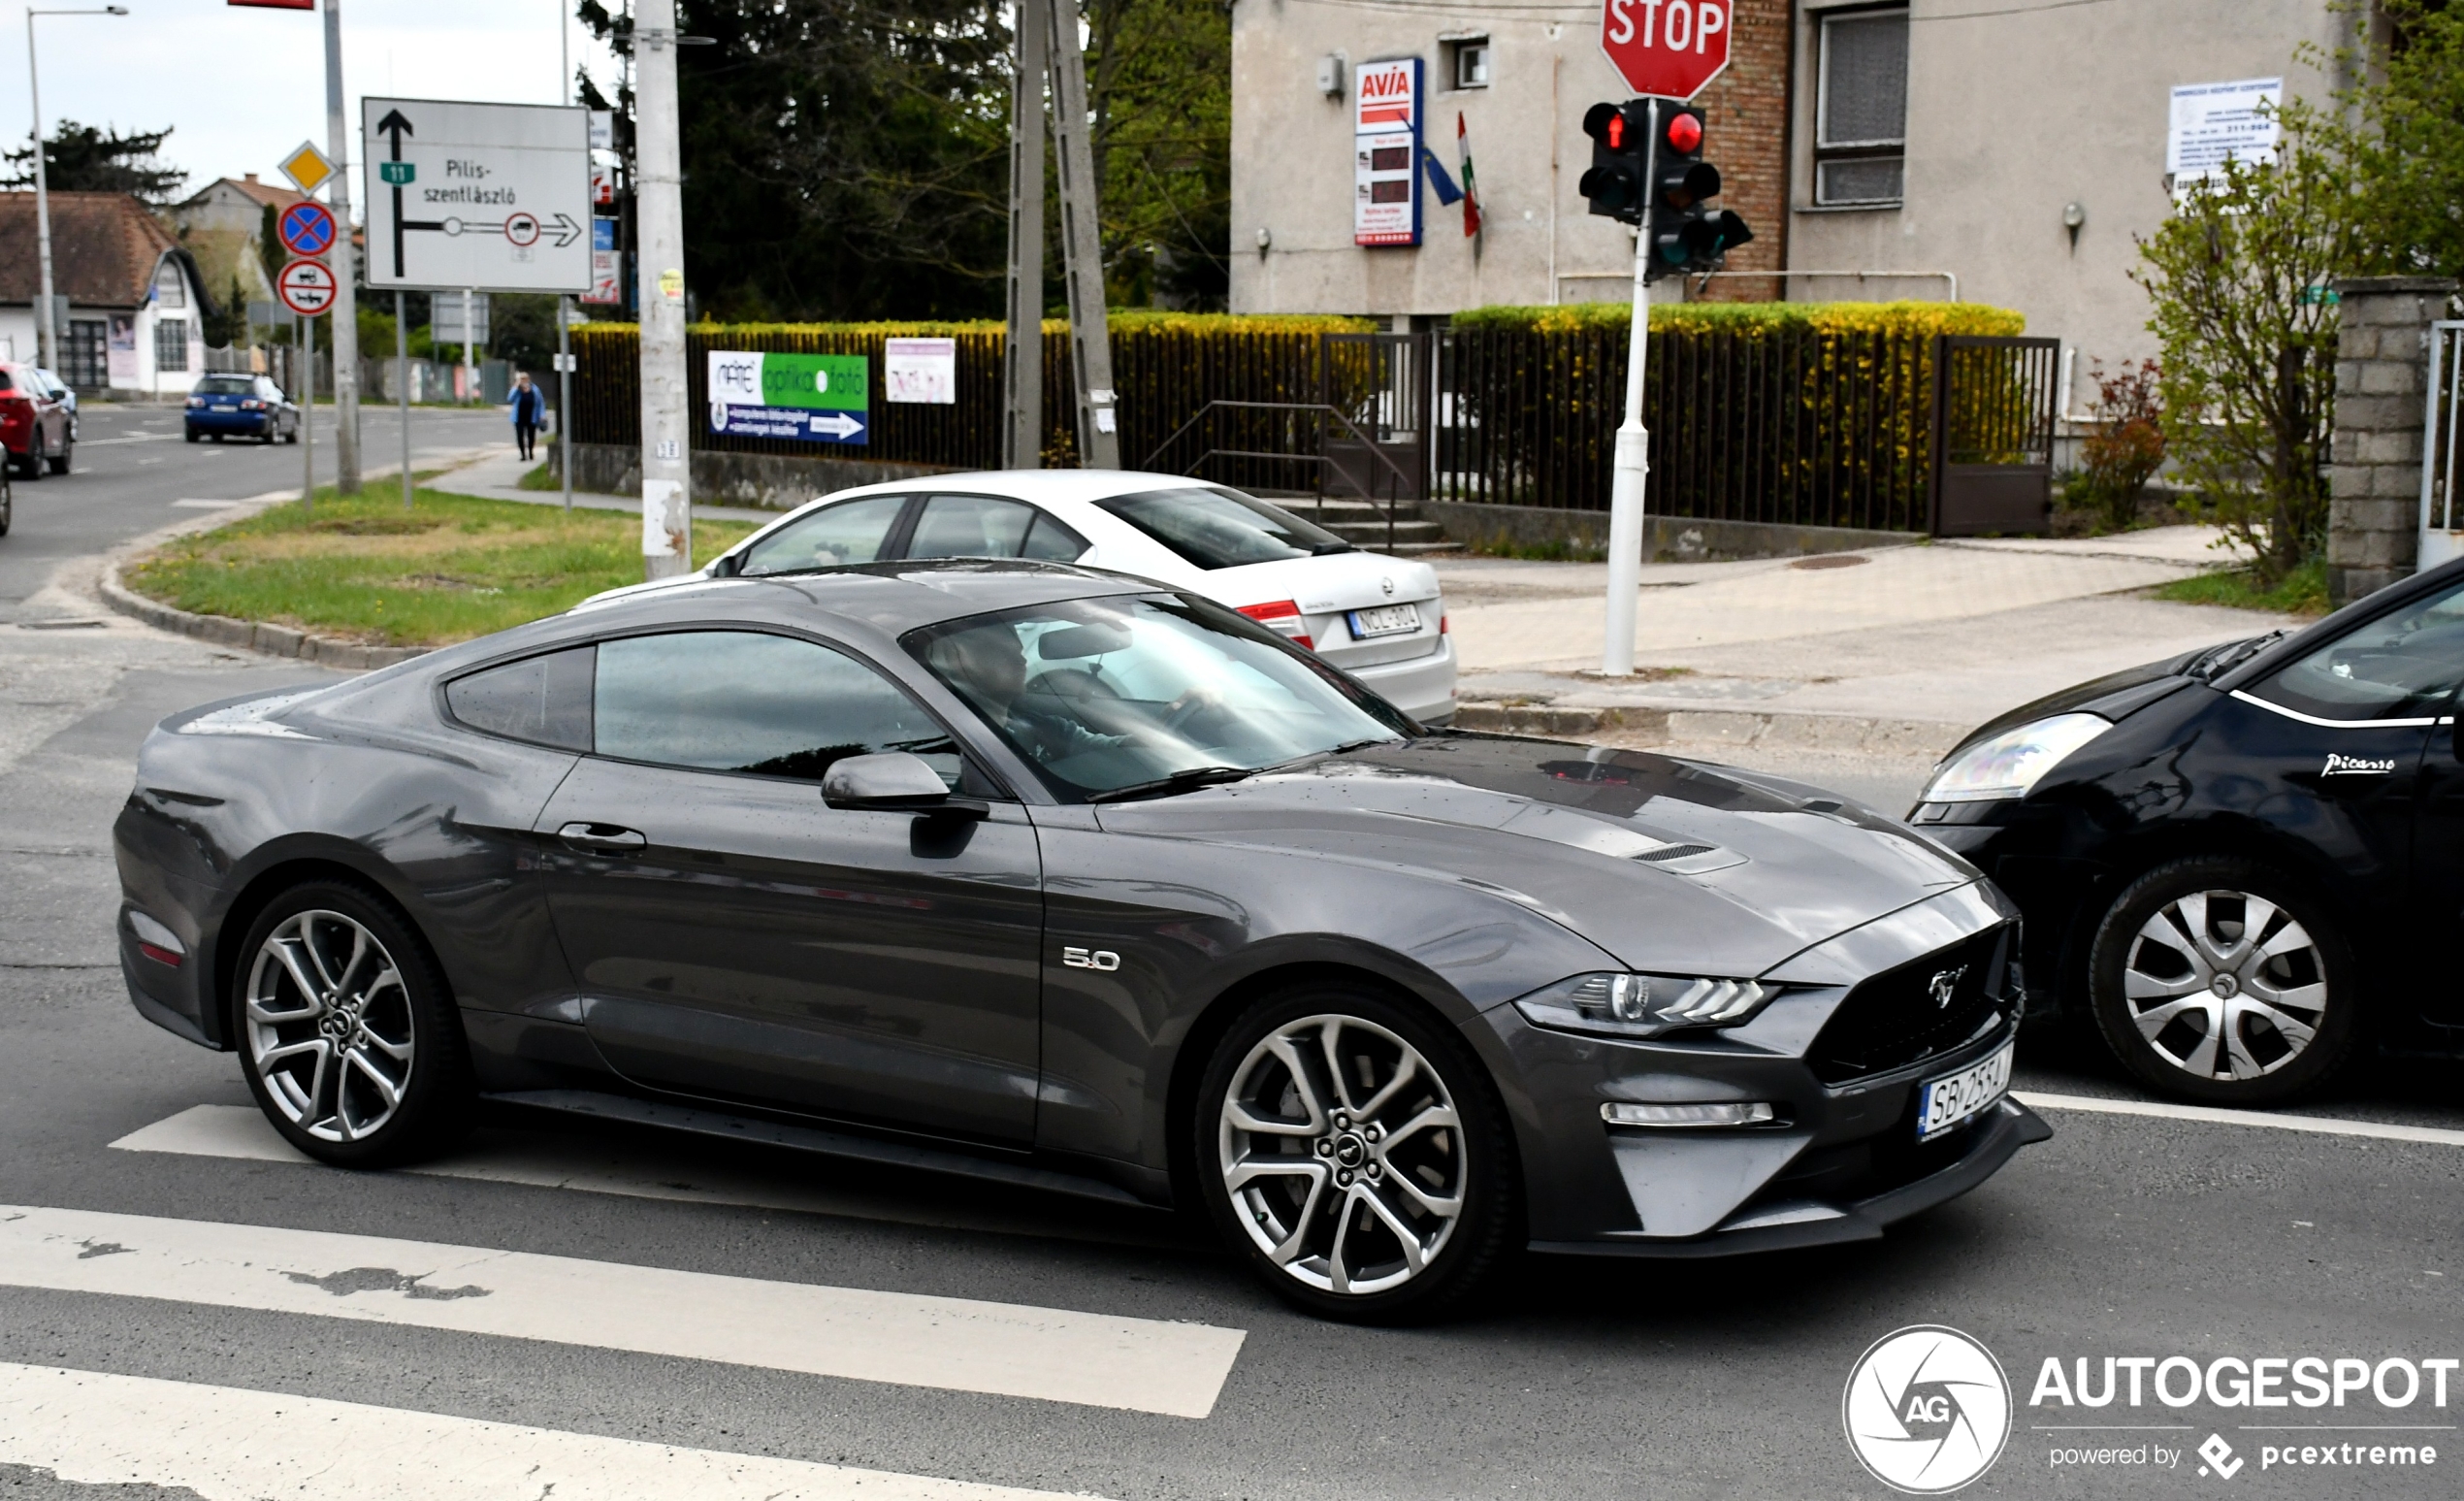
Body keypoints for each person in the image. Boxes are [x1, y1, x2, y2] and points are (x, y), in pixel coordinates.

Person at [507, 372, 546, 462]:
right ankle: (523, 455)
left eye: (525, 379)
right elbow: (510, 398)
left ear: (528, 379)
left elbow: (540, 403)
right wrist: (516, 385)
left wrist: (542, 415)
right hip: (519, 417)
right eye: (521, 379)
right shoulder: (517, 390)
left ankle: (530, 452)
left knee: (531, 436)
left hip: (532, 416)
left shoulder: (535, 389)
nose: (523, 381)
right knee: (520, 436)